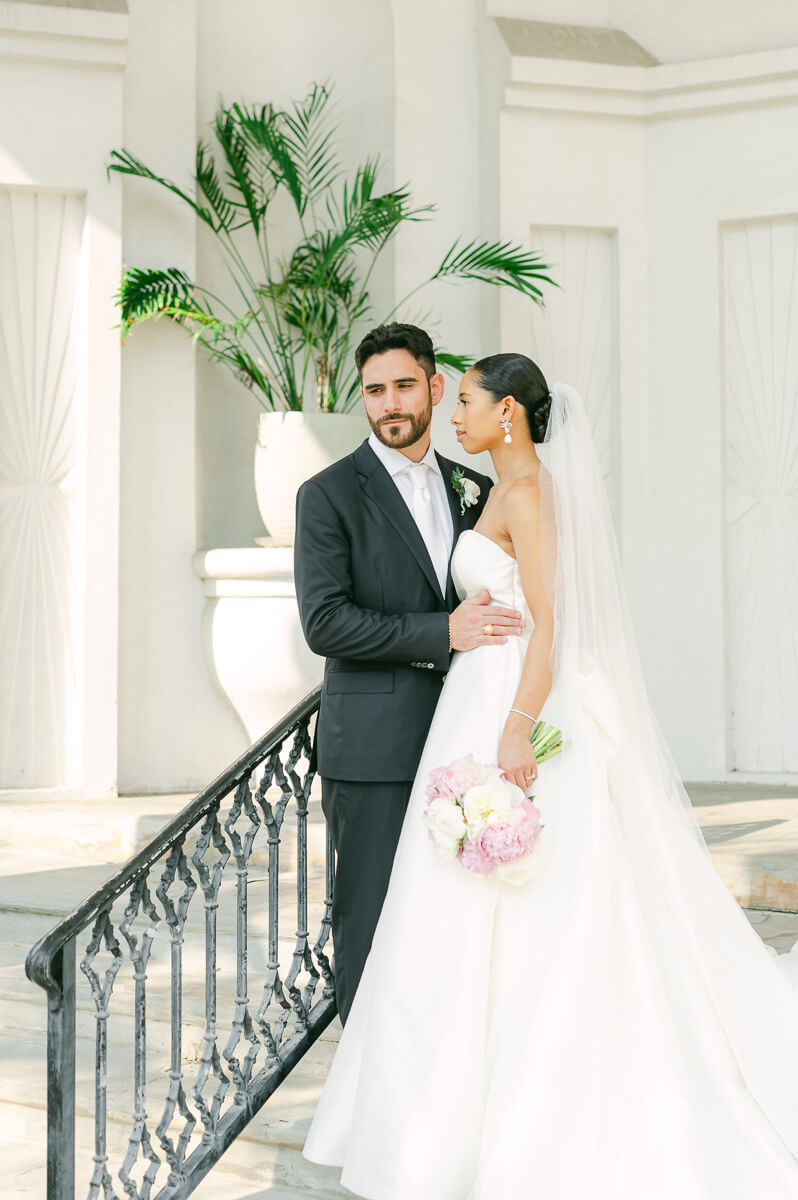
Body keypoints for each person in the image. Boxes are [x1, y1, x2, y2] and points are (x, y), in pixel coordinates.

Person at [303, 353, 798, 1199]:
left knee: (528, 912)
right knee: (449, 918)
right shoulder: (490, 487)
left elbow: (551, 623)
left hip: (506, 712)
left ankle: (514, 1126)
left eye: (465, 402)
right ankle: (432, 1115)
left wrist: (517, 727)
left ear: (510, 415)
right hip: (464, 703)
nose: (452, 416)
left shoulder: (526, 493)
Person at [294, 323, 523, 1024]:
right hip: (375, 750)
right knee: (369, 920)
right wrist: (440, 633)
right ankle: (364, 1097)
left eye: (401, 386)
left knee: (453, 920)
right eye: (373, 391)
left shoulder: (476, 488)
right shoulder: (327, 495)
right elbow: (325, 623)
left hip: (464, 746)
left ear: (433, 386)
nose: (389, 404)